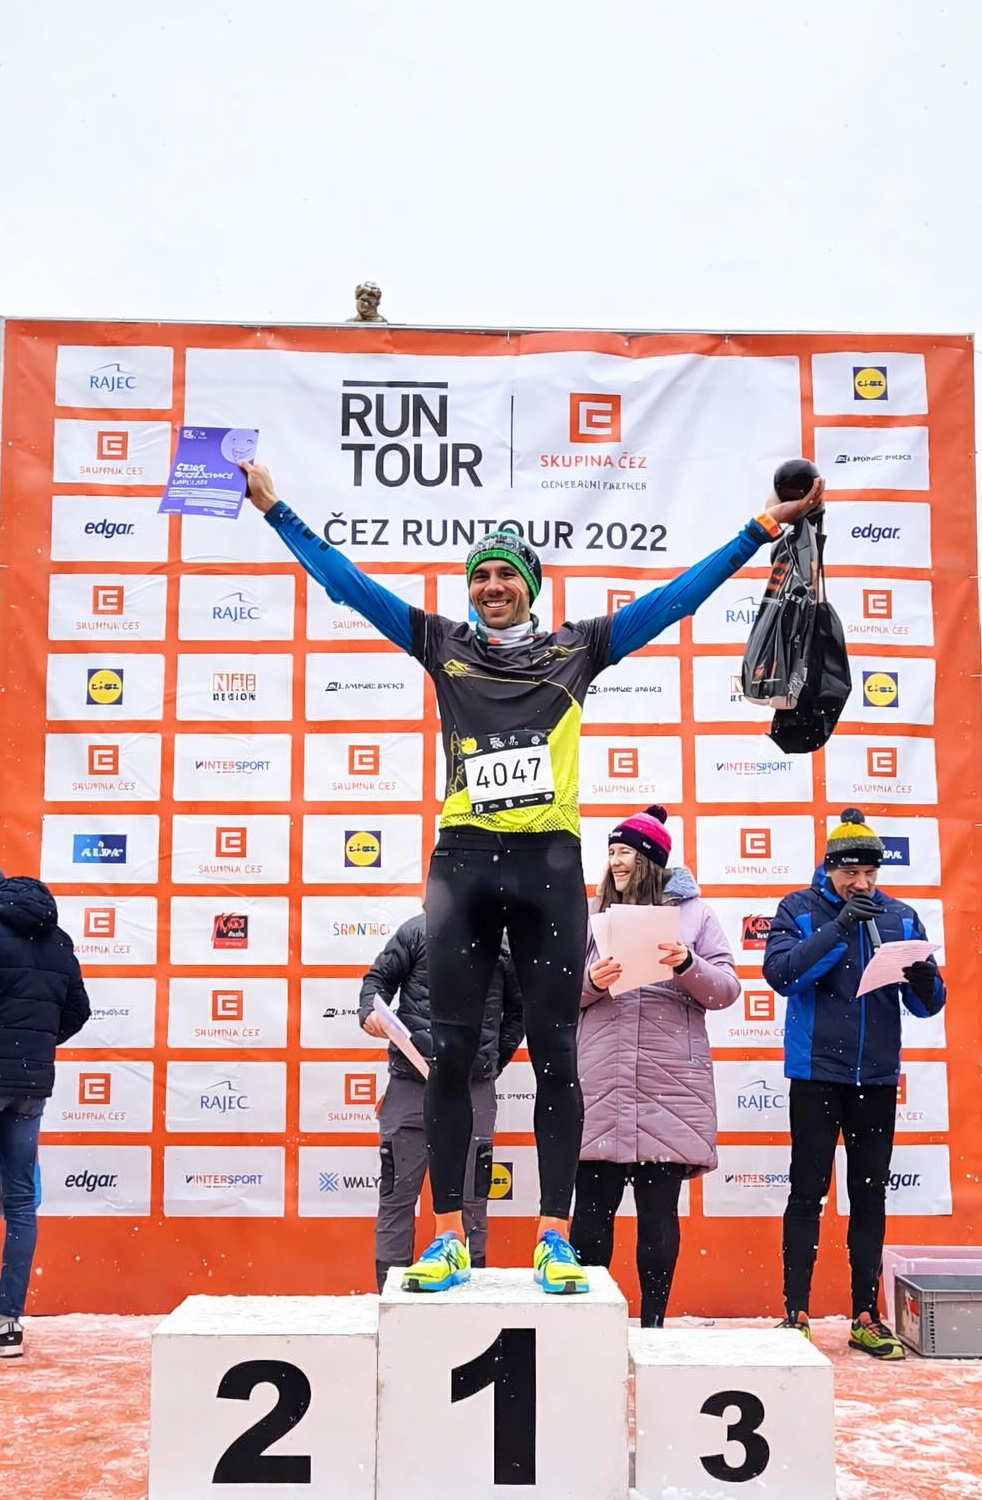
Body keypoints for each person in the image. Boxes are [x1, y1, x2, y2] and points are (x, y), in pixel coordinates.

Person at [243, 457, 824, 1293]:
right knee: (450, 1053)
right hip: (462, 866)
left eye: (505, 576)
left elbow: (676, 601)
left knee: (556, 1053)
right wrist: (275, 508)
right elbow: (348, 586)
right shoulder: (440, 643)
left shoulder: (578, 648)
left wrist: (760, 528)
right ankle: (448, 1238)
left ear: (530, 587)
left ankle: (553, 1237)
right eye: (480, 576)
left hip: (547, 865)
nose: (491, 587)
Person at [763, 809, 945, 1359]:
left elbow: (928, 1006)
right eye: (850, 873)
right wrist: (840, 927)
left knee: (869, 1197)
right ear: (829, 869)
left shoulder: (901, 916)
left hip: (876, 1078)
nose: (861, 883)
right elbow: (782, 975)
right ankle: (795, 1312)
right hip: (816, 1076)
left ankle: (866, 1314)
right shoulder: (798, 908)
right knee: (806, 1193)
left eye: (869, 873)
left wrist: (925, 980)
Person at [570, 807, 739, 1324]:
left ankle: (654, 1327)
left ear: (648, 860)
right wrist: (591, 983)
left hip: (670, 1087)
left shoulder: (697, 916)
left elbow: (726, 990)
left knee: (658, 1217)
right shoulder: (590, 914)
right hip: (601, 1082)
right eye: (611, 852)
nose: (615, 862)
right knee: (590, 1220)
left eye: (624, 852)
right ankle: (591, 1326)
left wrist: (686, 963)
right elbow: (557, 995)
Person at [0, 859, 90, 1359]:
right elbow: (77, 1011)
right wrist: (31, 1046)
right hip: (30, 1085)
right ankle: (9, 1325)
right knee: (19, 1201)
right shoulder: (55, 936)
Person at [359, 912, 523, 1290]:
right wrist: (369, 1010)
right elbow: (377, 980)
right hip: (410, 1085)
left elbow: (519, 1011)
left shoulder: (502, 942)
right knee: (397, 1199)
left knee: (472, 1205)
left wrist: (490, 1061)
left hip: (472, 1089)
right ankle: (390, 1298)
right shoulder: (416, 931)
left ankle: (470, 1298)